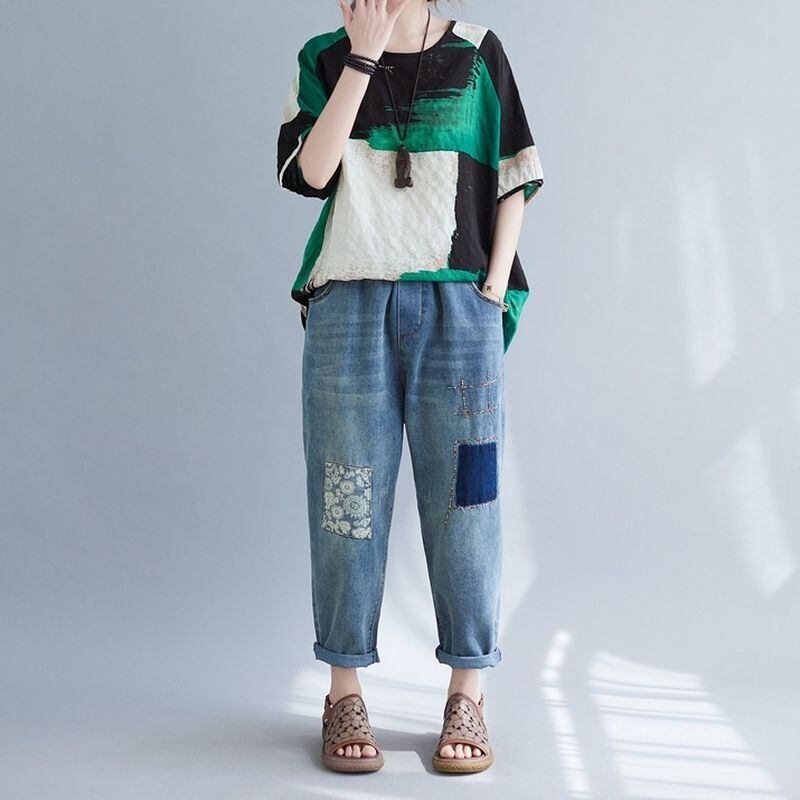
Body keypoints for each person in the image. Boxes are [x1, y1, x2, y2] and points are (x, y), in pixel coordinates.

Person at [277, 0, 544, 774]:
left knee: (469, 501)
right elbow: (311, 173)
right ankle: (343, 689)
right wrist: (362, 56)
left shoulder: (479, 52)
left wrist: (492, 289)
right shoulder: (323, 55)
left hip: (460, 306)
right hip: (350, 306)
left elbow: (513, 176)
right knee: (347, 499)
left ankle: (468, 691)